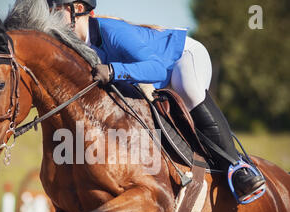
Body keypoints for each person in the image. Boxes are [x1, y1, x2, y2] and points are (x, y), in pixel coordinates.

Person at [47, 0, 266, 201]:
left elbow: (158, 69)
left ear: (76, 9)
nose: (50, 15)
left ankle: (238, 168)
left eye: (56, 8)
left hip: (181, 58)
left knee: (187, 89)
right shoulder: (75, 47)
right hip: (151, 79)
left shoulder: (111, 31)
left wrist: (114, 70)